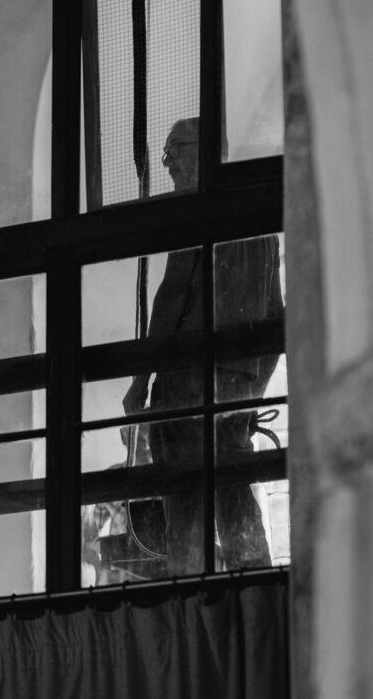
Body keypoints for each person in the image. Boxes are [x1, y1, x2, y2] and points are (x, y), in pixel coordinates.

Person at [122, 117, 283, 573]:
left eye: (176, 149)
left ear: (205, 152)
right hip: (237, 386)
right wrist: (252, 389)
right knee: (234, 494)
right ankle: (254, 589)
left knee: (185, 497)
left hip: (185, 383)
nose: (167, 161)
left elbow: (171, 299)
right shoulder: (260, 225)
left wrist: (141, 379)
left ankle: (186, 593)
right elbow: (277, 322)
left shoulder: (197, 212)